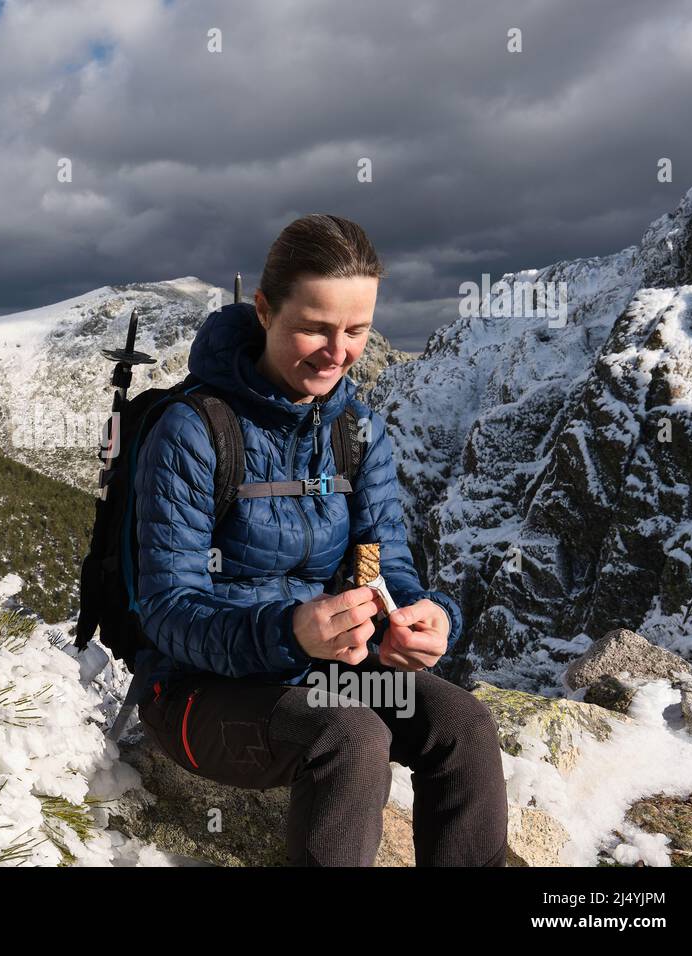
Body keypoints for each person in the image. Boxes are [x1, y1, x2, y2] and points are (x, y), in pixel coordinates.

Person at [131, 213, 509, 866]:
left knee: (464, 726)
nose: (338, 352)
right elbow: (167, 611)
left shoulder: (356, 433)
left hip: (323, 672)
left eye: (357, 330)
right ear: (265, 309)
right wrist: (288, 632)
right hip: (196, 694)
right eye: (315, 327)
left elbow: (380, 562)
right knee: (350, 736)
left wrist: (424, 617)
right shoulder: (194, 432)